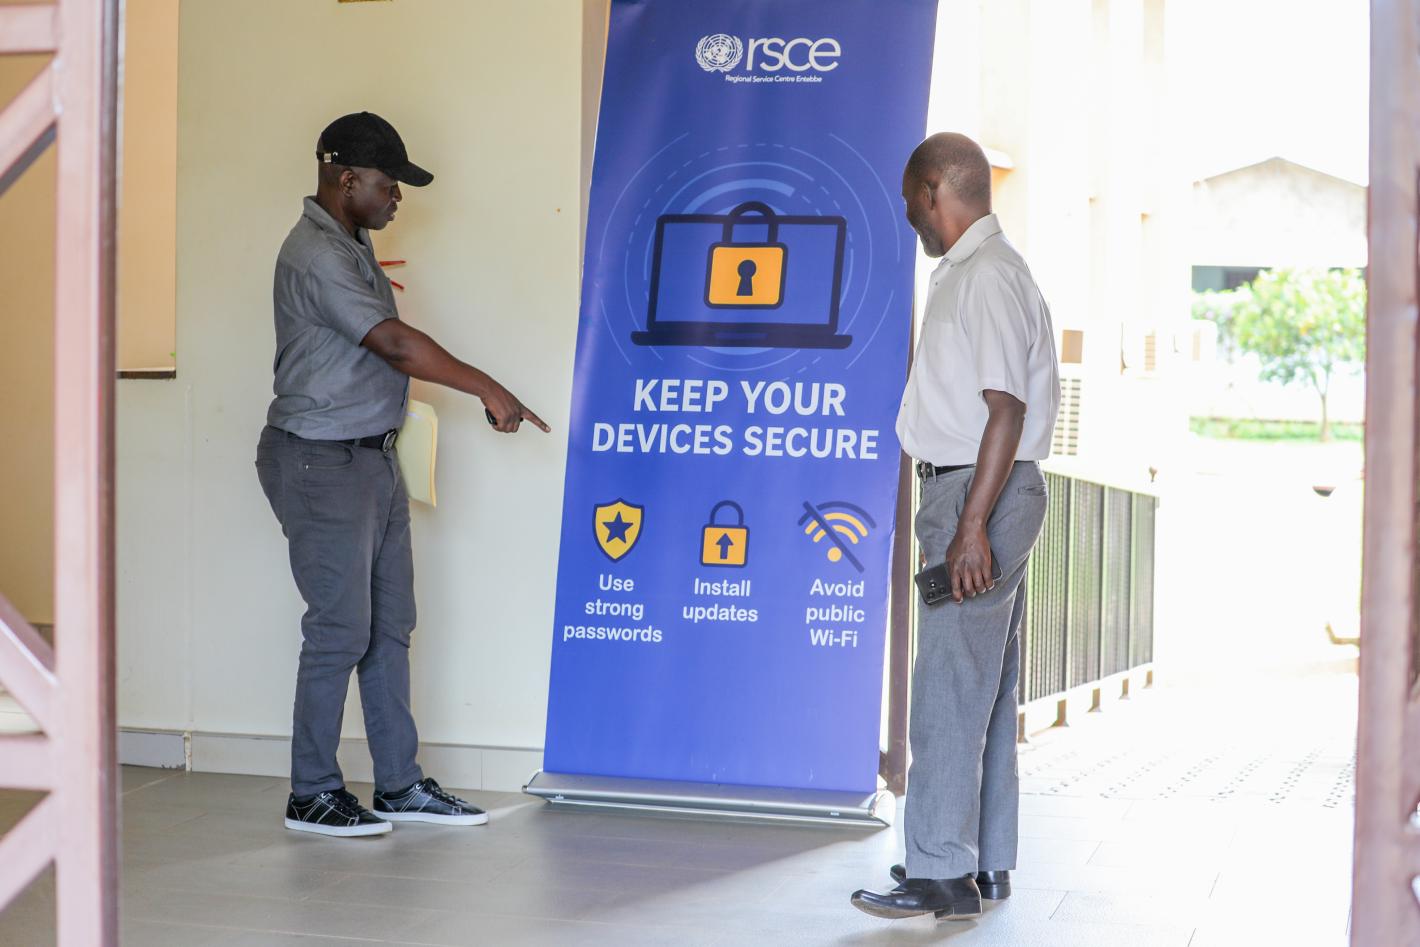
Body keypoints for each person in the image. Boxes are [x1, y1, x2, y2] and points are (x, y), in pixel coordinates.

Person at [255, 111, 549, 838]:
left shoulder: (351, 242)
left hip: (371, 457)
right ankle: (311, 793)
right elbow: (393, 344)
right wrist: (487, 387)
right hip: (321, 459)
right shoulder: (315, 253)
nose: (397, 199)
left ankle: (399, 784)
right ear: (345, 179)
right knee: (339, 629)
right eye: (389, 185)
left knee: (390, 627)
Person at [851, 132, 1060, 919]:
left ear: (934, 189)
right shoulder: (983, 271)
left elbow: (1005, 409)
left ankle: (939, 870)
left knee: (945, 684)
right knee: (986, 686)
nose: (911, 218)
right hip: (984, 489)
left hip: (978, 491)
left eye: (912, 203)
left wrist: (971, 525)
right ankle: (984, 861)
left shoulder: (987, 275)